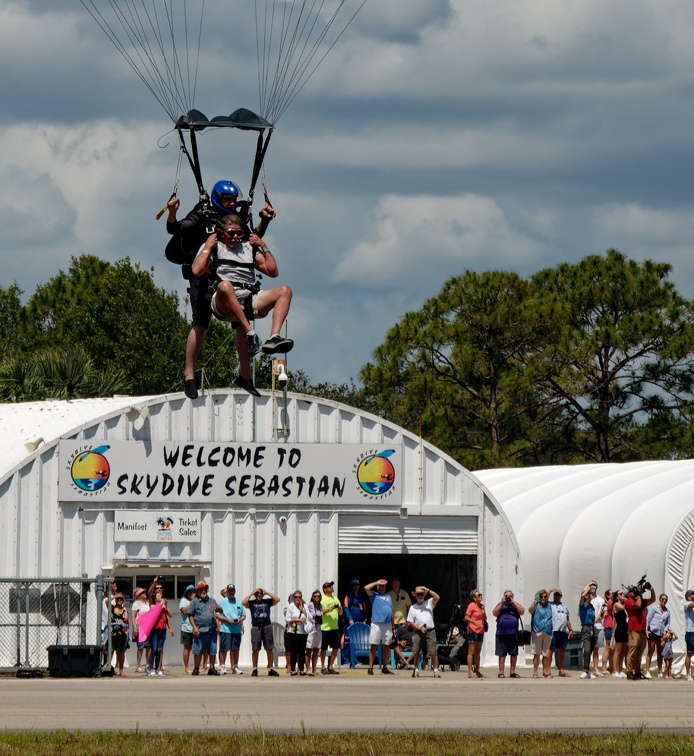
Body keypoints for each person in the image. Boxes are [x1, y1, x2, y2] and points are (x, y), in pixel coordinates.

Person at [165, 181, 275, 399]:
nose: (232, 203)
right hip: (204, 276)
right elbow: (175, 229)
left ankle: (245, 377)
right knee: (200, 324)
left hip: (230, 278)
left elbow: (247, 240)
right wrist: (172, 213)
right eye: (227, 200)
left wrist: (264, 220)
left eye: (233, 199)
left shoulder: (238, 218)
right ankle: (189, 376)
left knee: (241, 325)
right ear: (217, 198)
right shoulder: (201, 214)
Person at [191, 214, 293, 398]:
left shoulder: (249, 249)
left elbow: (273, 271)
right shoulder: (215, 248)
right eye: (232, 233)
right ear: (222, 233)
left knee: (285, 291)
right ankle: (250, 333)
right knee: (225, 286)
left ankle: (274, 337)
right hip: (223, 302)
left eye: (240, 233)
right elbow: (197, 270)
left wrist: (263, 246)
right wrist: (207, 247)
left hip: (248, 300)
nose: (237, 237)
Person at [242, 586, 281, 677]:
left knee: (269, 648)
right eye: (257, 594)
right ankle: (255, 668)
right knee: (255, 648)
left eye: (260, 593)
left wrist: (266, 592)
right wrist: (252, 593)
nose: (259, 595)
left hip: (267, 625)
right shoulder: (252, 603)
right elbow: (244, 602)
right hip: (256, 627)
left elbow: (277, 599)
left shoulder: (267, 601)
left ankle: (270, 668)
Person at [406, 585, 441, 678]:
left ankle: (435, 669)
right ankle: (416, 669)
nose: (420, 596)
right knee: (416, 650)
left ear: (424, 595)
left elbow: (437, 597)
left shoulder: (429, 603)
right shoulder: (413, 607)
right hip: (419, 630)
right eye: (418, 595)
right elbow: (410, 622)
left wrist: (428, 590)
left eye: (421, 594)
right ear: (415, 596)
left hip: (430, 630)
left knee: (432, 650)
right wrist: (419, 628)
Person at [187, 580, 221, 675]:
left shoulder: (212, 601)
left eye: (205, 589)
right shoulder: (194, 602)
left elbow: (220, 611)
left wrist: (217, 608)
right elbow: (190, 615)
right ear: (198, 591)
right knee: (197, 650)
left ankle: (212, 668)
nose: (203, 591)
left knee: (212, 649)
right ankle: (196, 668)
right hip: (200, 630)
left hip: (211, 630)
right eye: (201, 589)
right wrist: (194, 627)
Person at [363, 579, 394, 675]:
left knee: (386, 646)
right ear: (377, 587)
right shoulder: (374, 595)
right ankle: (370, 667)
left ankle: (384, 667)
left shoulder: (389, 597)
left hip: (387, 624)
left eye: (383, 586)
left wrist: (393, 626)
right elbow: (366, 588)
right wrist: (377, 582)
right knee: (374, 645)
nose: (381, 588)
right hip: (377, 623)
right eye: (380, 587)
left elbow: (391, 611)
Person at [625, 582, 655, 680]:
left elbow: (652, 600)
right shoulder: (629, 601)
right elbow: (638, 605)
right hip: (634, 630)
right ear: (628, 594)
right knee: (632, 652)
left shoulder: (639, 599)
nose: (633, 592)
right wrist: (638, 594)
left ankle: (637, 671)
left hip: (642, 630)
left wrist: (651, 590)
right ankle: (629, 672)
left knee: (639, 653)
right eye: (632, 591)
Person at [492, 589, 524, 678]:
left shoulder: (515, 606)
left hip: (513, 634)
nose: (508, 598)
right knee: (502, 654)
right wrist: (502, 603)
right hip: (501, 634)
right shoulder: (500, 605)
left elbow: (522, 611)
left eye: (509, 596)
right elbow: (494, 613)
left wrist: (513, 602)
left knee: (513, 654)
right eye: (506, 596)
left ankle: (512, 672)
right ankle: (501, 672)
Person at [147, 578, 174, 677]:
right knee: (153, 649)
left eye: (160, 590)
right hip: (154, 629)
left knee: (159, 649)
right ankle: (151, 668)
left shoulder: (163, 605)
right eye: (157, 590)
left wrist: (170, 627)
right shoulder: (153, 604)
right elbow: (149, 593)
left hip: (162, 629)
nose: (159, 591)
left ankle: (158, 668)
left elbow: (169, 616)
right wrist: (154, 584)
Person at [218, 584, 246, 675]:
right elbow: (216, 614)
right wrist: (227, 620)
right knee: (224, 649)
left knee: (235, 649)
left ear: (235, 591)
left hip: (237, 629)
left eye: (233, 591)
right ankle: (222, 666)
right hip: (225, 629)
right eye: (230, 591)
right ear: (227, 591)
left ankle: (235, 666)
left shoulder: (239, 602)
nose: (231, 592)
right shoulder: (222, 602)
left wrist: (239, 620)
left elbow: (243, 615)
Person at [319, 581, 343, 674]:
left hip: (335, 627)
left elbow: (340, 614)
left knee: (336, 647)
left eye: (331, 586)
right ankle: (322, 666)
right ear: (325, 589)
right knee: (324, 648)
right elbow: (318, 612)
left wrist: (340, 610)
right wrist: (327, 610)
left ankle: (330, 666)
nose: (331, 588)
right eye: (329, 587)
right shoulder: (322, 599)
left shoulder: (335, 599)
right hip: (325, 628)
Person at [530, 589, 554, 679]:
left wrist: (550, 591)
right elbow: (530, 611)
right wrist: (535, 604)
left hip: (547, 631)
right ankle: (535, 671)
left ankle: (545, 672)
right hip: (537, 631)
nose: (543, 598)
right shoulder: (536, 604)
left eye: (545, 597)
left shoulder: (549, 605)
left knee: (546, 654)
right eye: (541, 597)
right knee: (537, 653)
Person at [646, 593, 670, 678]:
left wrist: (665, 631)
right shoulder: (654, 608)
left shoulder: (667, 611)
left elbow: (667, 623)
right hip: (653, 631)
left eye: (665, 600)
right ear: (660, 600)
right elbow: (648, 619)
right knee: (651, 650)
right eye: (662, 599)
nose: (664, 601)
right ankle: (647, 670)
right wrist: (647, 630)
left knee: (660, 653)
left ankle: (659, 671)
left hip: (661, 633)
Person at [284, 590, 309, 675]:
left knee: (302, 651)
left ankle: (301, 669)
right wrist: (298, 620)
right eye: (296, 597)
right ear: (293, 598)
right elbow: (287, 619)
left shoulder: (305, 606)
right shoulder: (291, 607)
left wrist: (302, 610)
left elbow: (309, 617)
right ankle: (293, 669)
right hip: (293, 631)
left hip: (303, 631)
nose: (298, 599)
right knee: (294, 651)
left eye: (299, 597)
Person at [549, 589, 573, 677]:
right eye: (555, 595)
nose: (556, 596)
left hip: (562, 631)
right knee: (551, 650)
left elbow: (567, 619)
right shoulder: (550, 605)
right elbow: (543, 599)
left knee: (562, 651)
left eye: (558, 595)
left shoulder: (564, 606)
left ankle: (561, 670)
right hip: (553, 630)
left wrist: (570, 629)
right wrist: (550, 591)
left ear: (561, 596)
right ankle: (548, 670)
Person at [464, 589, 486, 679]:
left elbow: (484, 618)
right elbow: (466, 617)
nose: (480, 596)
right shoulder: (471, 606)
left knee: (478, 652)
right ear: (474, 598)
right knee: (471, 651)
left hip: (481, 630)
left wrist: (484, 615)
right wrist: (474, 622)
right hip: (473, 630)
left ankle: (477, 670)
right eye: (478, 595)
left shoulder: (482, 606)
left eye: (481, 595)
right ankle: (470, 671)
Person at [578, 581, 598, 679]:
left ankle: (588, 671)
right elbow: (582, 594)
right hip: (585, 628)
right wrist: (589, 585)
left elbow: (594, 619)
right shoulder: (583, 605)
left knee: (590, 651)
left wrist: (602, 616)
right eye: (589, 594)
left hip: (592, 628)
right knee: (586, 650)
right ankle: (585, 670)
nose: (590, 595)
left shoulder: (592, 607)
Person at [130, 586, 150, 673]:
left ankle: (148, 665)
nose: (144, 594)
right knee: (140, 647)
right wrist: (135, 627)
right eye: (142, 593)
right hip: (140, 628)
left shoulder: (147, 603)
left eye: (144, 592)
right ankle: (138, 666)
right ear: (138, 595)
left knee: (149, 647)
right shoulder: (136, 603)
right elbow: (133, 616)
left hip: (148, 628)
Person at [590, 581, 607, 675]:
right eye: (591, 586)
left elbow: (605, 612)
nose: (592, 588)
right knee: (588, 648)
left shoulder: (601, 600)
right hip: (589, 626)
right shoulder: (586, 599)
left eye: (594, 586)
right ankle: (586, 668)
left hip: (598, 626)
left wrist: (599, 617)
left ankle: (596, 668)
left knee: (596, 648)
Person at [179, 584, 196, 675]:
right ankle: (186, 667)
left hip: (195, 628)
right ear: (187, 593)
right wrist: (192, 602)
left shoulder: (197, 601)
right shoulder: (184, 601)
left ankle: (196, 666)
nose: (193, 593)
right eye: (191, 592)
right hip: (186, 628)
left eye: (194, 592)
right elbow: (184, 611)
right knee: (187, 647)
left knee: (196, 648)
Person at [305, 589, 323, 676]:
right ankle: (308, 669)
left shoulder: (320, 606)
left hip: (318, 629)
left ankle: (314, 669)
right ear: (312, 597)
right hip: (311, 629)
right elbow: (305, 612)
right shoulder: (309, 605)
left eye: (318, 596)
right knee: (309, 649)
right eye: (315, 596)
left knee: (316, 649)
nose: (317, 597)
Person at [110, 593, 129, 677]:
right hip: (113, 633)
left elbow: (127, 622)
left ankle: (121, 670)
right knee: (111, 650)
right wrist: (115, 596)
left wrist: (126, 627)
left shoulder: (124, 610)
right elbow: (107, 602)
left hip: (122, 633)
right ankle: (109, 668)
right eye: (118, 599)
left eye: (121, 599)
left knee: (121, 652)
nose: (119, 600)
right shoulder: (113, 608)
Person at [611, 588, 629, 678]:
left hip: (625, 629)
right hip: (619, 629)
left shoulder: (622, 604)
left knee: (623, 651)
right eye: (621, 594)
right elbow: (623, 607)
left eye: (623, 593)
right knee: (617, 651)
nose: (623, 595)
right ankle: (614, 671)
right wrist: (627, 600)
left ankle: (620, 670)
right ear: (617, 597)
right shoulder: (616, 605)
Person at [599, 588, 614, 675]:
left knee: (612, 648)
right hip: (608, 626)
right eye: (611, 594)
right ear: (608, 595)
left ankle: (611, 667)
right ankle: (604, 667)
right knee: (608, 648)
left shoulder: (610, 603)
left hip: (612, 626)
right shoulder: (609, 603)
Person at [683, 589, 694, 680]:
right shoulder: (686, 603)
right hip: (691, 631)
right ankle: (688, 674)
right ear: (688, 596)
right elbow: (691, 605)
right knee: (689, 653)